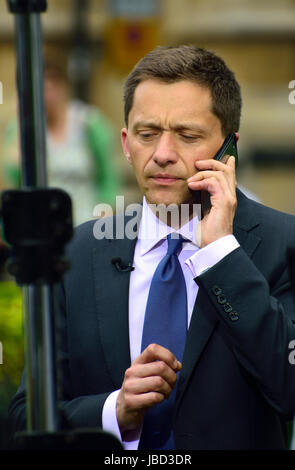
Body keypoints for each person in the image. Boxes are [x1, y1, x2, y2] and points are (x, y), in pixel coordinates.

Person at [8, 45, 295, 450]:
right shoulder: (74, 253)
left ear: (229, 148)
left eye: (187, 135)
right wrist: (116, 410)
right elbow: (28, 420)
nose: (162, 155)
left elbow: (289, 390)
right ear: (126, 143)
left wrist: (222, 254)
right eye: (147, 135)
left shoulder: (284, 244)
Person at [2, 60, 119, 226]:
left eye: (51, 86)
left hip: (87, 223)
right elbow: (14, 178)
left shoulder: (88, 123)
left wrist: (105, 213)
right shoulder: (21, 128)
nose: (47, 95)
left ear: (63, 87)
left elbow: (109, 177)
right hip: (43, 227)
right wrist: (23, 123)